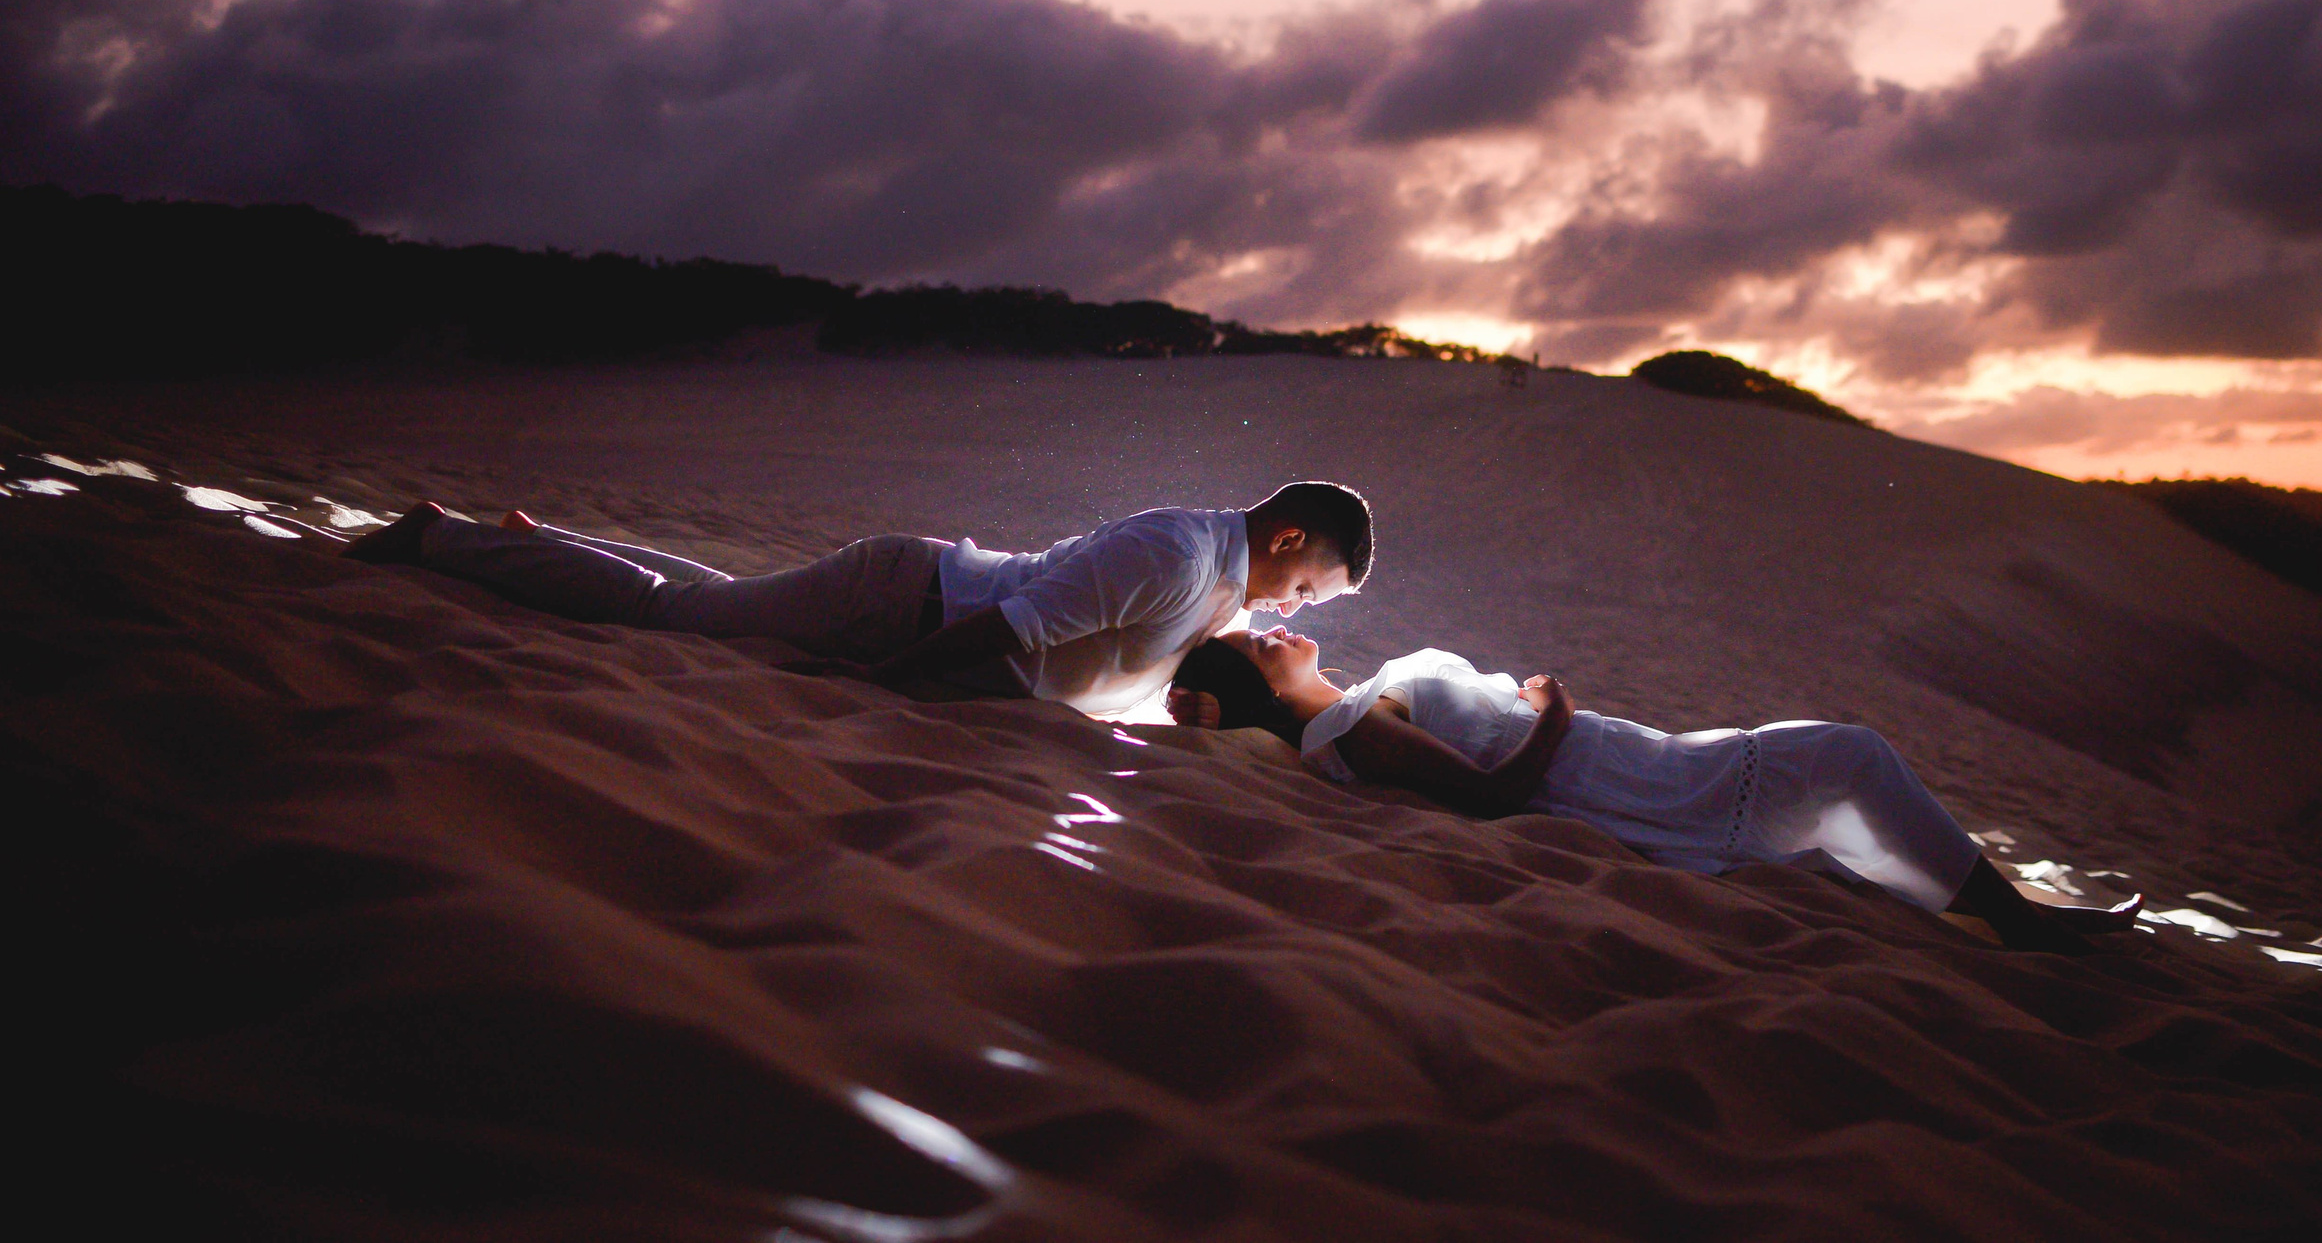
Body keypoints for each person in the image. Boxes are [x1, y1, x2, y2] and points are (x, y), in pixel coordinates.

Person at [1169, 629, 2141, 953]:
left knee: (1839, 824)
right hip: (1636, 778)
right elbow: (1490, 797)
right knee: (1850, 754)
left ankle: (1995, 906)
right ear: (1266, 686)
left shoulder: (1351, 714)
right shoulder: (1347, 728)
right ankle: (2017, 919)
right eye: (1261, 642)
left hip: (1644, 766)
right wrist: (1551, 706)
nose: (1279, 630)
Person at [345, 482, 1373, 716]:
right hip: (902, 605)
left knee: (714, 600)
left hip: (905, 597)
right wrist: (874, 695)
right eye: (1312, 587)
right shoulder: (1177, 555)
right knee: (667, 618)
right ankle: (437, 536)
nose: (1300, 610)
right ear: (1285, 539)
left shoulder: (1224, 584)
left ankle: (537, 543)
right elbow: (1008, 626)